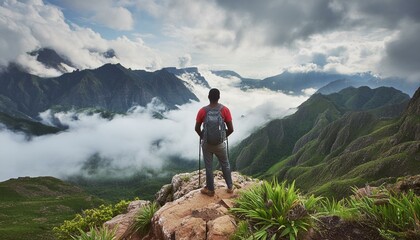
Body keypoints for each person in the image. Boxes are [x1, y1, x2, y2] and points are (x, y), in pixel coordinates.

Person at [195, 88, 234, 196]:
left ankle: (210, 189)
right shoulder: (225, 110)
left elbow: (197, 128)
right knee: (225, 164)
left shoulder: (202, 111)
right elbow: (231, 129)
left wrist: (203, 137)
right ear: (219, 97)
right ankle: (230, 187)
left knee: (209, 167)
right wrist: (222, 137)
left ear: (208, 97)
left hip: (207, 144)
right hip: (220, 145)